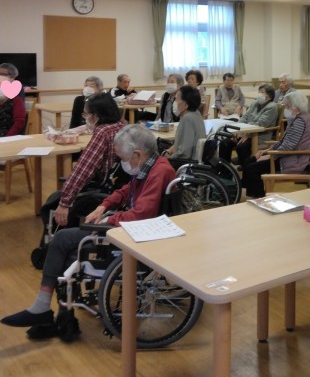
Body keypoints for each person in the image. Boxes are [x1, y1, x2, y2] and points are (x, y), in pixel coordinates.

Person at [1, 124, 176, 335]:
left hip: (133, 236)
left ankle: (45, 309)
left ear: (137, 154)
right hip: (130, 228)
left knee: (62, 239)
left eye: (123, 158)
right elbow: (126, 190)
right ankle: (60, 316)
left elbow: (141, 214)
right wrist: (104, 206)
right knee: (68, 249)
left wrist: (109, 220)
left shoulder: (159, 173)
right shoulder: (152, 166)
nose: (122, 163)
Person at [53, 93, 127, 226]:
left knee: (53, 203)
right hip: (120, 188)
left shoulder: (103, 132)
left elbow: (83, 170)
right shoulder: (122, 125)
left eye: (86, 114)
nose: (85, 118)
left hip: (106, 191)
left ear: (96, 115)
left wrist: (64, 203)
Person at [242, 91, 310, 198]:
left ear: (297, 108)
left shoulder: (300, 122)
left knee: (252, 168)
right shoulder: (299, 118)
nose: (285, 108)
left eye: (288, 106)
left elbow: (288, 146)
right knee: (249, 161)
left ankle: (259, 197)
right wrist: (267, 151)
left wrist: (271, 155)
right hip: (286, 155)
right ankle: (251, 193)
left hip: (293, 159)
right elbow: (283, 141)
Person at [219, 84, 279, 166]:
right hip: (245, 132)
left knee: (241, 147)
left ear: (270, 96)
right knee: (224, 143)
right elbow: (244, 117)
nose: (259, 94)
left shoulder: (272, 107)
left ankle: (246, 167)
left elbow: (260, 124)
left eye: (262, 92)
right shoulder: (255, 103)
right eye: (259, 92)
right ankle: (224, 168)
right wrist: (237, 131)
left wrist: (246, 133)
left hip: (258, 135)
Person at [163, 85, 206, 163]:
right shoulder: (196, 113)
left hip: (186, 163)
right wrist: (172, 148)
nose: (175, 102)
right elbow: (186, 143)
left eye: (176, 99)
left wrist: (169, 158)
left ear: (186, 105)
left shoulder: (187, 119)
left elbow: (184, 153)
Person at [0, 63, 26, 136]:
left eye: (3, 74)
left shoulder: (16, 99)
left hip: (7, 134)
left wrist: (7, 137)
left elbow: (19, 120)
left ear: (12, 76)